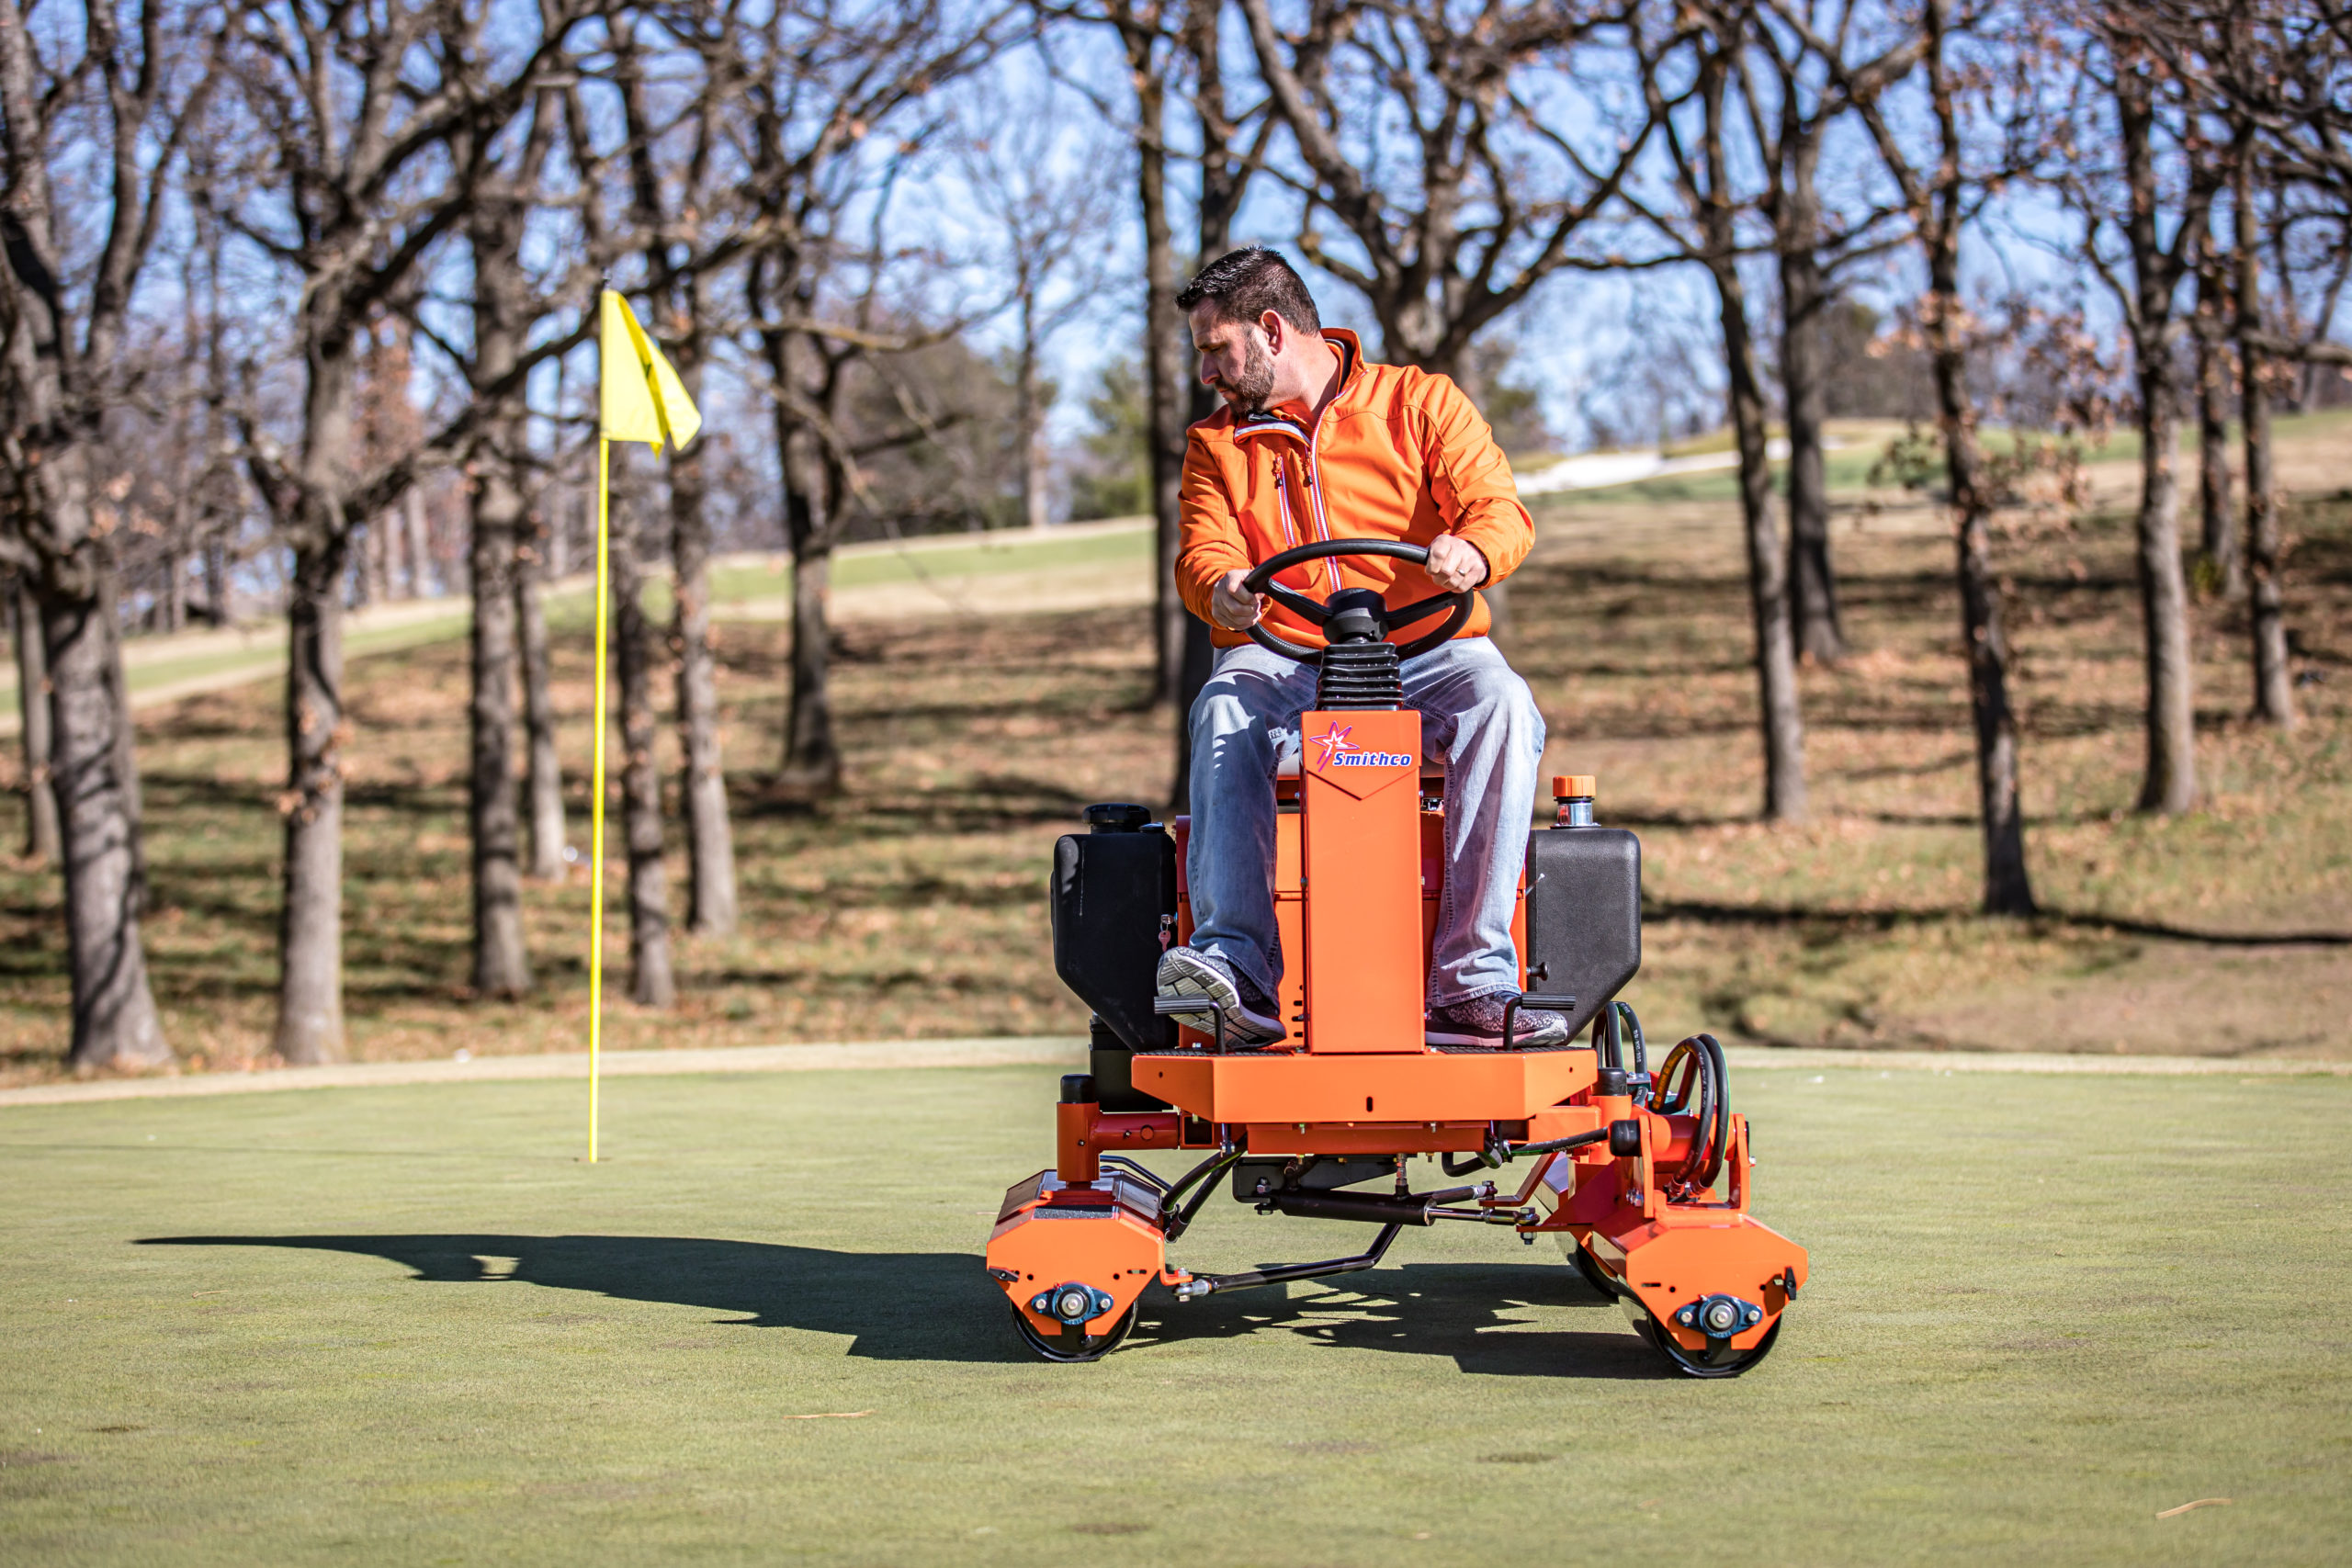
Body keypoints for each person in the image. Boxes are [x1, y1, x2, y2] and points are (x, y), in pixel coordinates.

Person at [1153, 246, 1565, 1051]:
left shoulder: (1419, 403)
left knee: (1503, 702)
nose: (1206, 372)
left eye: (1216, 349)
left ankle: (1472, 981)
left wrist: (1473, 552)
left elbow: (1499, 511)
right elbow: (1202, 554)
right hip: (1287, 655)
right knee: (1226, 702)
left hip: (1424, 650)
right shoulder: (1216, 445)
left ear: (1271, 330)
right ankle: (1237, 967)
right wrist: (1222, 586)